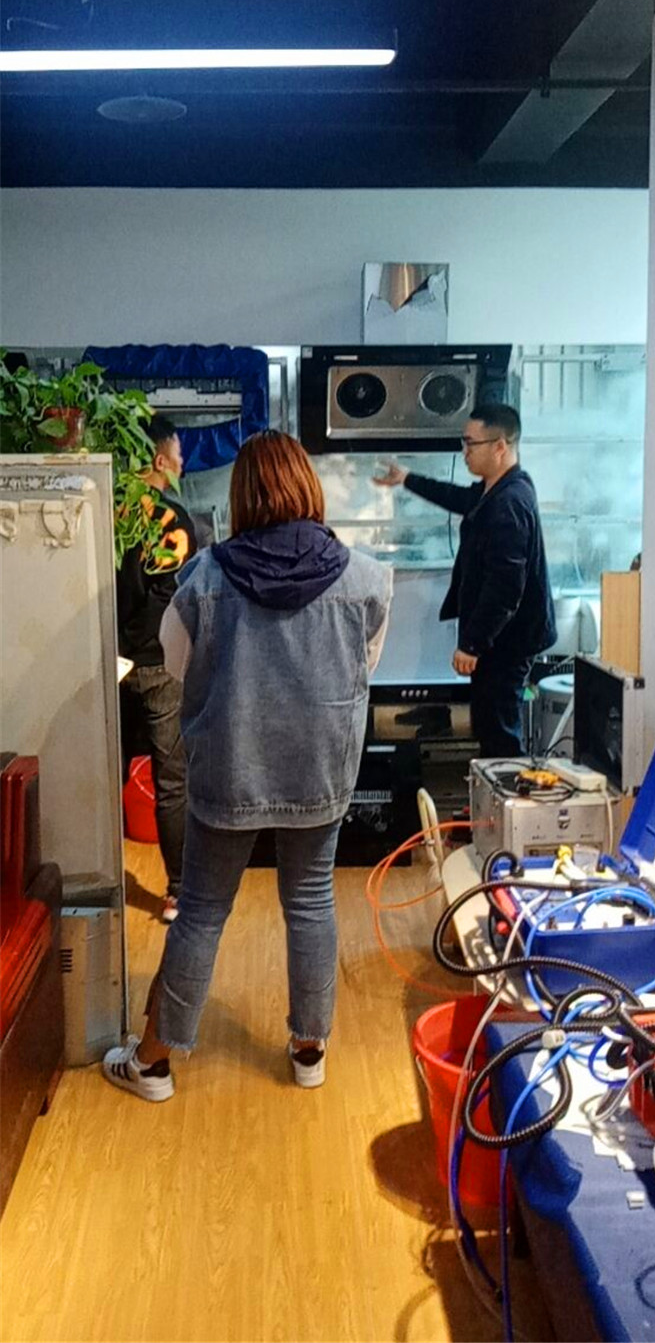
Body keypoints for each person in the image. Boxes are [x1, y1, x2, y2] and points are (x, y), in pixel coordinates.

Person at [103, 430, 392, 1100]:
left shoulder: (205, 576)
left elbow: (177, 663)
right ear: (308, 488)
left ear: (242, 497)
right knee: (311, 901)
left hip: (229, 771)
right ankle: (309, 1051)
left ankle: (153, 1063)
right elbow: (364, 666)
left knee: (202, 911)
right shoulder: (366, 579)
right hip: (319, 772)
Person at [374, 403, 556, 758]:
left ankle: (506, 789)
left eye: (471, 443)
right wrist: (407, 479)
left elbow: (505, 587)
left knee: (499, 732)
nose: (465, 451)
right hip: (501, 637)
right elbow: (459, 498)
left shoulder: (509, 503)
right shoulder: (498, 488)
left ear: (500, 446)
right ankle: (496, 787)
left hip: (507, 641)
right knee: (490, 724)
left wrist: (472, 645)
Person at [117, 415, 197, 923]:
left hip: (106, 660)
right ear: (160, 459)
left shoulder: (108, 508)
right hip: (158, 664)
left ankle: (94, 880)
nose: (182, 464)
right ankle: (178, 894)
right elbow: (175, 596)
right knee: (171, 780)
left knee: (108, 771)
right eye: (179, 454)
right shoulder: (171, 518)